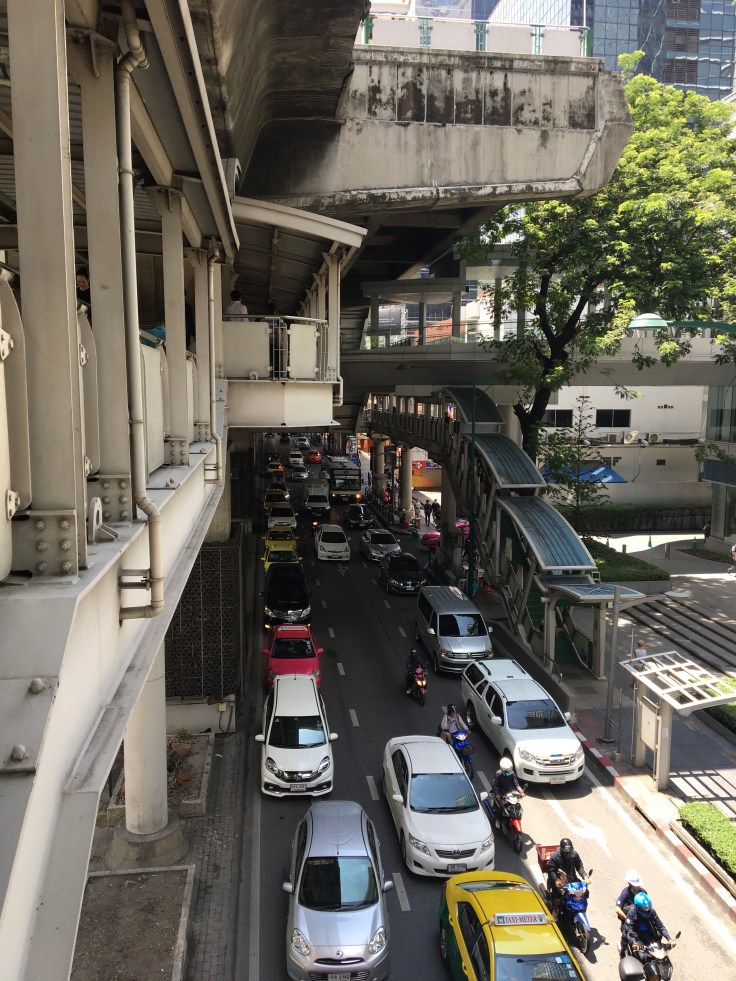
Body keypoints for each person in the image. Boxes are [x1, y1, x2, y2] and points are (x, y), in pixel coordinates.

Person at [546, 838, 587, 919]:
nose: (568, 854)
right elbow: (551, 871)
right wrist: (556, 880)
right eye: (566, 853)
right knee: (557, 900)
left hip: (572, 881)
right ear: (561, 851)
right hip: (560, 883)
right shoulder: (555, 857)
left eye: (570, 852)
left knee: (584, 893)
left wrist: (584, 876)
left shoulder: (574, 855)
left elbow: (579, 866)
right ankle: (555, 913)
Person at [623, 892, 673, 957]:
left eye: (648, 909)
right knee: (638, 954)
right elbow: (629, 929)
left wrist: (669, 939)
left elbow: (660, 926)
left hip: (648, 931)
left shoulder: (652, 911)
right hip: (636, 933)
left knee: (658, 936)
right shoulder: (631, 913)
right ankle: (623, 950)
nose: (647, 911)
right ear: (638, 907)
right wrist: (634, 942)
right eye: (644, 909)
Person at [491, 757, 524, 828]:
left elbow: (516, 785)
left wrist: (521, 792)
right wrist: (497, 794)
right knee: (502, 807)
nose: (508, 773)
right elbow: (495, 785)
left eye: (509, 771)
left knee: (516, 806)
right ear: (502, 769)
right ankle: (497, 819)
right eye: (506, 771)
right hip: (500, 794)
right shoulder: (498, 774)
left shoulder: (512, 774)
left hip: (510, 795)